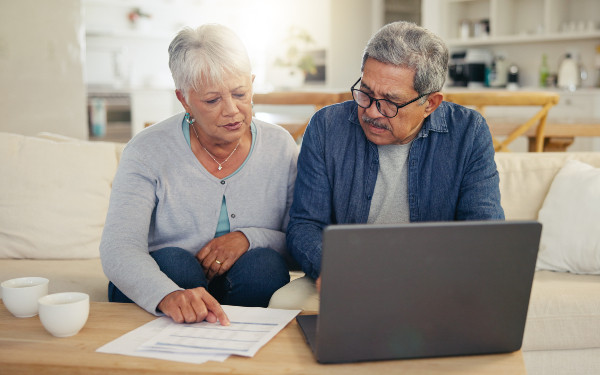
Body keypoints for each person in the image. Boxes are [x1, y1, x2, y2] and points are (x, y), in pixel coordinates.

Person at [269, 21, 504, 310]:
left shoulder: (468, 132)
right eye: (365, 92)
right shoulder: (326, 127)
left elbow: (484, 231)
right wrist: (333, 269)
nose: (370, 112)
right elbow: (305, 225)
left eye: (390, 102)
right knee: (283, 303)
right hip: (344, 275)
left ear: (430, 103)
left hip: (434, 281)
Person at [100, 24, 298, 324]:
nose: (232, 110)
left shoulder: (280, 145)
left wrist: (249, 237)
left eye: (240, 93)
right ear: (184, 99)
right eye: (212, 100)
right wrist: (167, 294)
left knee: (265, 266)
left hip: (244, 284)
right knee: (175, 264)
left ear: (253, 84)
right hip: (166, 281)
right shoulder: (146, 150)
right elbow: (118, 248)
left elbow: (300, 239)